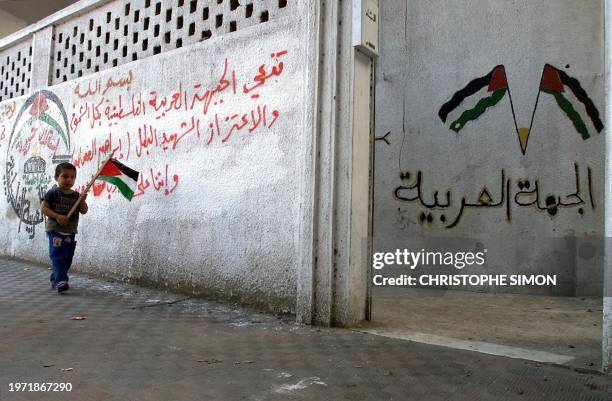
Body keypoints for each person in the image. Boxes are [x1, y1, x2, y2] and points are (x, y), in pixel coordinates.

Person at [40, 162, 88, 293]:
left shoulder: (76, 196)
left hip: (70, 232)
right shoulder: (53, 193)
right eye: (65, 176)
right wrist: (57, 216)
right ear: (57, 178)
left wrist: (82, 201)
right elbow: (43, 208)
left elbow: (84, 210)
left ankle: (55, 278)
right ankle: (61, 280)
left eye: (72, 177)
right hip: (55, 231)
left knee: (67, 257)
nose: (69, 179)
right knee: (57, 256)